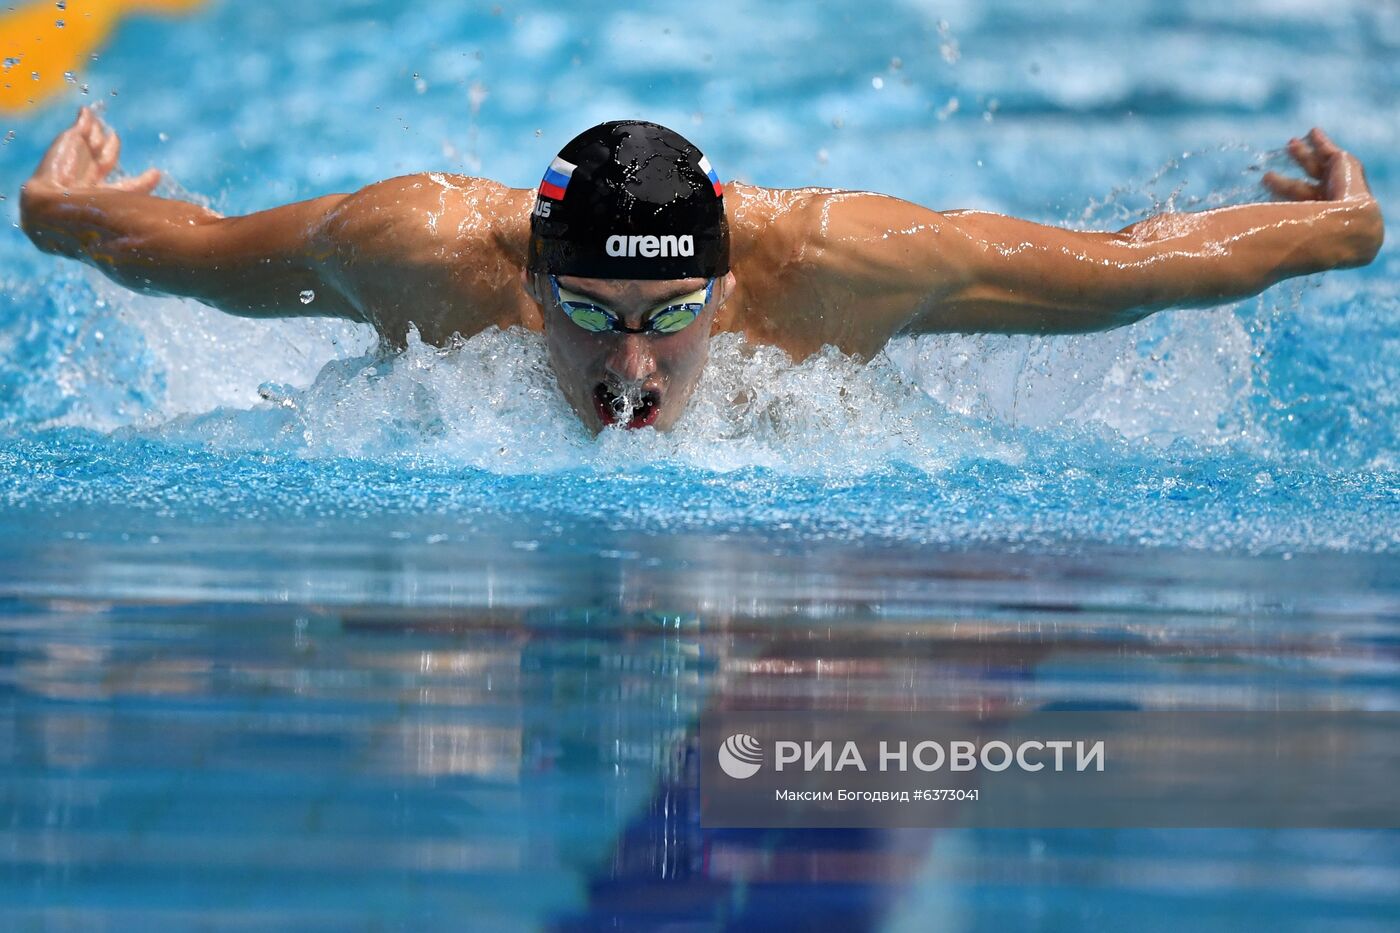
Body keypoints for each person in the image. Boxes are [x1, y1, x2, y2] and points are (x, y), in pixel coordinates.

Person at [20, 107, 1383, 432]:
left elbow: (1130, 269)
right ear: (524, 278)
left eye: (672, 316)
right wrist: (57, 213)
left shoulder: (842, 268)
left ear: (731, 285)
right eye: (590, 318)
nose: (631, 372)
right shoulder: (420, 254)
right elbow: (189, 258)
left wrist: (1341, 231)